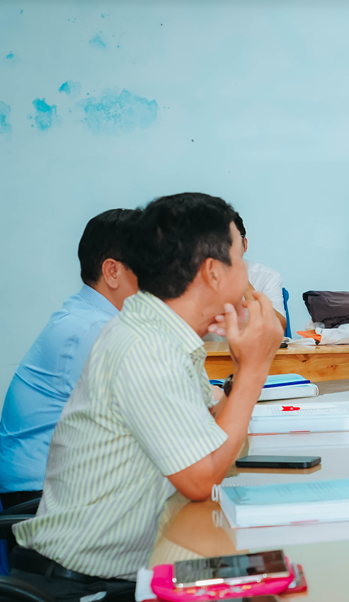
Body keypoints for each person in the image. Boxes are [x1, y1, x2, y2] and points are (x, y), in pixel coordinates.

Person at [12, 193, 283, 600]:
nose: (247, 273)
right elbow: (200, 478)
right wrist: (255, 368)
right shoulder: (147, 347)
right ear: (212, 272)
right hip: (83, 583)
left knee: (270, 567)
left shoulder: (163, 331)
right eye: (240, 260)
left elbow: (209, 433)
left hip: (133, 563)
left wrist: (243, 367)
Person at [0, 209, 139, 510]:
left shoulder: (87, 315)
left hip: (59, 486)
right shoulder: (91, 330)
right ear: (112, 272)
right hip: (38, 499)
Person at [234, 212, 286, 331]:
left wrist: (243, 282)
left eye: (231, 240)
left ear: (244, 244)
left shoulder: (267, 276)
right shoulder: (193, 275)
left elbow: (278, 328)